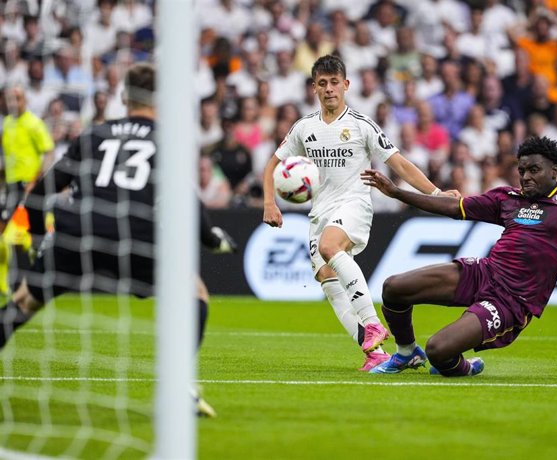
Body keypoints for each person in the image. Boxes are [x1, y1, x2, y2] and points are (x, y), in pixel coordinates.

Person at [0, 63, 237, 417]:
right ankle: (177, 386)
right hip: (135, 237)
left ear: (124, 97)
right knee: (195, 293)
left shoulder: (94, 134)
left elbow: (40, 191)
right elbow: (187, 200)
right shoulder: (168, 138)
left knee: (20, 304)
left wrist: (37, 238)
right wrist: (211, 238)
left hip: (76, 236)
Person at [361, 136, 557, 376]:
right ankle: (406, 352)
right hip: (484, 273)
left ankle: (464, 367)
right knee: (394, 287)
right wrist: (398, 194)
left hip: (513, 300)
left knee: (439, 349)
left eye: (533, 170)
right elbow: (453, 208)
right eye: (522, 170)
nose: (525, 177)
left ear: (554, 170)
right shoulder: (506, 198)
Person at [263, 55, 457, 372]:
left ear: (346, 85)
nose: (329, 89)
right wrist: (269, 203)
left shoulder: (362, 126)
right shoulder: (304, 128)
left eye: (334, 82)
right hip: (320, 213)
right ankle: (376, 354)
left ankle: (372, 324)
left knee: (330, 248)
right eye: (322, 83)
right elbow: (271, 165)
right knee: (327, 279)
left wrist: (436, 194)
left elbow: (400, 164)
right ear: (314, 88)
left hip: (353, 205)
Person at [1, 85, 55, 294]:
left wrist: (35, 181)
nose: (14, 103)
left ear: (25, 100)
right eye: (10, 99)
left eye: (18, 98)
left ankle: (34, 281)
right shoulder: (7, 123)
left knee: (27, 236)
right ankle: (15, 282)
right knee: (10, 236)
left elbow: (49, 153)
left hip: (29, 187)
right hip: (12, 186)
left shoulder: (34, 123)